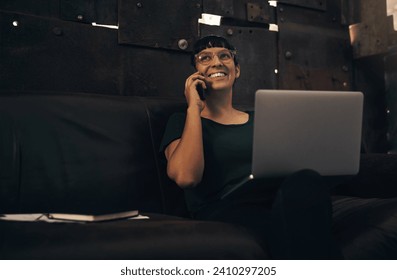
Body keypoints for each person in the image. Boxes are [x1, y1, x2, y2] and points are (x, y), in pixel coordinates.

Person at [160, 35, 342, 259]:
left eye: (224, 56)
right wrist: (193, 108)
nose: (216, 62)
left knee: (309, 180)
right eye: (205, 58)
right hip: (227, 207)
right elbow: (186, 177)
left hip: (277, 197)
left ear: (236, 70)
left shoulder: (263, 118)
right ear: (195, 74)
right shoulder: (183, 121)